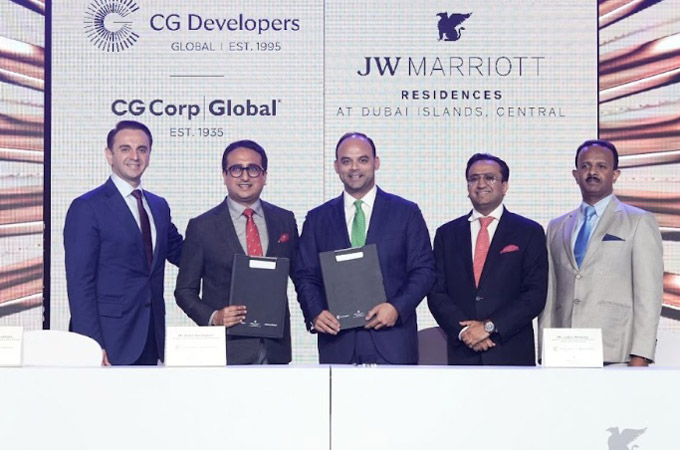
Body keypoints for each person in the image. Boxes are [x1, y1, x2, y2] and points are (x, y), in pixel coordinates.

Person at [295, 132, 435, 364]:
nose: (354, 168)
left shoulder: (406, 213)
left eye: (362, 160)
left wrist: (396, 308)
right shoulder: (317, 219)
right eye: (346, 161)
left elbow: (424, 270)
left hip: (393, 342)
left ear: (376, 163)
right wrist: (316, 312)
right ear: (336, 166)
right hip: (337, 343)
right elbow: (305, 275)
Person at [64, 120, 183, 365]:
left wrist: (231, 252)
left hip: (150, 336)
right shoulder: (87, 207)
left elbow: (183, 253)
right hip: (108, 340)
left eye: (142, 149)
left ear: (149, 155)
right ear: (110, 155)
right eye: (125, 149)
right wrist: (91, 344)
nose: (135, 156)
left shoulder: (158, 206)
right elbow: (80, 283)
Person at [538, 139, 663, 366]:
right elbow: (550, 294)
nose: (592, 172)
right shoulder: (557, 226)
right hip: (563, 351)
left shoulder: (638, 221)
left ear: (615, 174)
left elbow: (649, 294)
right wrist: (544, 349)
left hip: (616, 352)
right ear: (575, 174)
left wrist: (641, 354)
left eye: (601, 166)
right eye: (585, 166)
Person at [174, 140, 298, 364]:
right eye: (236, 169)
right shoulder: (202, 227)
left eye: (253, 169)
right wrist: (214, 317)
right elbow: (184, 291)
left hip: (276, 348)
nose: (245, 176)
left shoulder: (285, 220)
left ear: (264, 176)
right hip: (226, 350)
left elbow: (301, 275)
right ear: (224, 175)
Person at [428, 153, 548, 365]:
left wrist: (489, 327)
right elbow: (436, 292)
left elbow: (535, 294)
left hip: (510, 350)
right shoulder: (447, 234)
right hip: (463, 352)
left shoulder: (529, 232)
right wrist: (465, 331)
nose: (481, 184)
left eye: (489, 178)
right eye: (474, 179)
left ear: (505, 186)